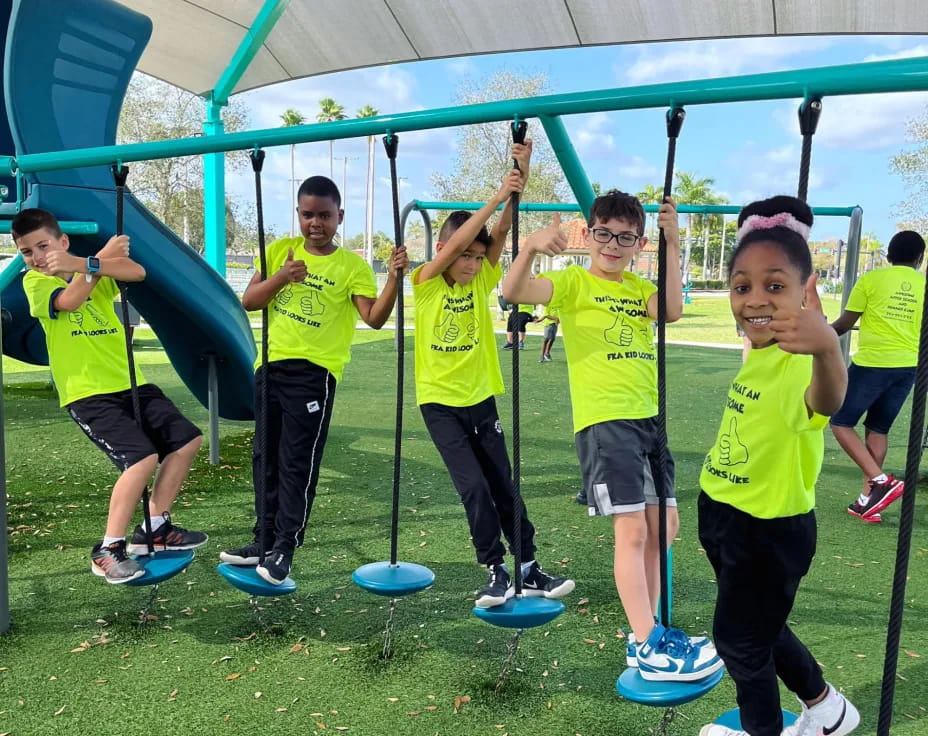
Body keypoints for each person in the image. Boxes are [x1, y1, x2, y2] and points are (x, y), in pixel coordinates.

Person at [503, 190, 721, 682]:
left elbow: (671, 310)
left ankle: (650, 631)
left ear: (638, 243)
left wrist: (672, 240)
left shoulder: (636, 288)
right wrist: (531, 247)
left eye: (626, 238)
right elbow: (516, 292)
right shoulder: (575, 282)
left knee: (665, 528)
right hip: (606, 421)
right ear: (590, 234)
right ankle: (648, 642)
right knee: (634, 530)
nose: (613, 244)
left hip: (648, 420)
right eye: (604, 234)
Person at [697, 196, 859, 736]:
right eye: (742, 287)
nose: (755, 300)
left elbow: (828, 401)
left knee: (741, 643)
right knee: (760, 627)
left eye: (775, 285)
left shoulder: (800, 359)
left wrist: (828, 349)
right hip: (725, 513)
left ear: (805, 290)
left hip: (768, 532)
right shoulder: (762, 353)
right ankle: (826, 706)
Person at [220, 176, 407, 585]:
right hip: (269, 368)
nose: (315, 223)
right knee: (263, 459)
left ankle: (285, 546)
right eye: (308, 215)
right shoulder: (278, 252)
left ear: (340, 216)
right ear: (299, 215)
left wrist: (394, 277)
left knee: (296, 462)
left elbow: (373, 319)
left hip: (314, 375)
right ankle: (263, 539)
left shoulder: (351, 266)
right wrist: (283, 276)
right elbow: (249, 302)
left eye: (324, 215)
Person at [414, 141, 574, 607]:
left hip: (481, 398)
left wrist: (517, 179)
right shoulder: (424, 282)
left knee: (504, 484)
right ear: (445, 251)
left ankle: (528, 566)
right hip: (440, 405)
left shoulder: (482, 275)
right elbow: (467, 239)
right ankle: (495, 570)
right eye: (464, 255)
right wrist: (496, 193)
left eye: (477, 258)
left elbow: (501, 231)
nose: (472, 263)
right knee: (474, 489)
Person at [15, 208, 206, 584]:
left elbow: (136, 272)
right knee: (140, 458)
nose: (37, 257)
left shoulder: (92, 269)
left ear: (62, 240)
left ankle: (155, 525)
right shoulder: (34, 283)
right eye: (26, 251)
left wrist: (90, 262)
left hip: (129, 384)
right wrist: (92, 260)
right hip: (88, 394)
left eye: (43, 246)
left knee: (187, 439)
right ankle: (108, 548)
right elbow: (70, 300)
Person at [829, 231, 925, 522]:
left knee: (840, 421)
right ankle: (868, 501)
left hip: (873, 363)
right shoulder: (924, 285)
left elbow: (846, 323)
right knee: (878, 428)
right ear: (920, 259)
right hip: (908, 367)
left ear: (888, 256)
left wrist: (816, 336)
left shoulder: (871, 280)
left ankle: (880, 481)